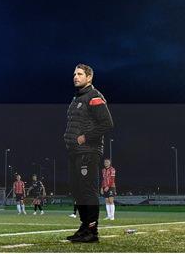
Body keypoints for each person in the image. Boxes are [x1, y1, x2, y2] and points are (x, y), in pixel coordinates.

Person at [63, 64, 114, 243]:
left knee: (88, 191)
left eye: (79, 74)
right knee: (77, 191)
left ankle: (92, 231)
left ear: (89, 77)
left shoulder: (94, 96)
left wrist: (85, 137)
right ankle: (84, 227)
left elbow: (107, 123)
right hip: (74, 152)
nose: (75, 76)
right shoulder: (77, 98)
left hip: (88, 152)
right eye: (74, 73)